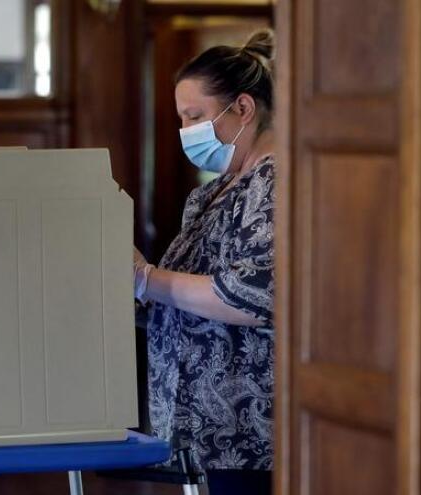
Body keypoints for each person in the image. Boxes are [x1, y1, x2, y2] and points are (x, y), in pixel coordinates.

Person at [134, 29, 276, 495]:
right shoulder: (214, 190)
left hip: (246, 428)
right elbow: (186, 292)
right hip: (202, 432)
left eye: (195, 116)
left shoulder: (277, 181)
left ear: (243, 108)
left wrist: (147, 279)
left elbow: (254, 295)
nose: (186, 131)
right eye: (181, 119)